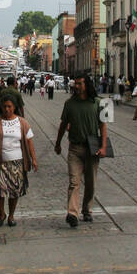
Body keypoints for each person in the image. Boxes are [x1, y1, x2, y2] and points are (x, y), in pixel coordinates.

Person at [54, 72, 107, 227]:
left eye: (79, 84)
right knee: (74, 182)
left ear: (86, 84)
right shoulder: (69, 104)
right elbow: (63, 125)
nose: (76, 86)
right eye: (75, 84)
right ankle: (72, 213)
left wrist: (103, 147)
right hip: (75, 148)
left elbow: (103, 126)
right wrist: (57, 143)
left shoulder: (99, 102)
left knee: (91, 183)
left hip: (93, 148)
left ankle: (87, 210)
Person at [0, 94, 38, 227]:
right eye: (4, 106)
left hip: (17, 162)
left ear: (14, 107)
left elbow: (29, 142)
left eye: (9, 106)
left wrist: (33, 159)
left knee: (14, 190)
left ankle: (11, 215)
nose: (7, 109)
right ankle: (1, 213)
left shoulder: (22, 122)